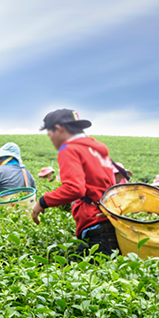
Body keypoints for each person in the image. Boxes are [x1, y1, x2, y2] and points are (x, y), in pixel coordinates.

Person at [31, 109, 119, 255]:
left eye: (49, 133)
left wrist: (42, 202)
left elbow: (75, 189)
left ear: (59, 129)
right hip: (109, 220)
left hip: (95, 226)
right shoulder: (97, 147)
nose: (51, 138)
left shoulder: (69, 149)